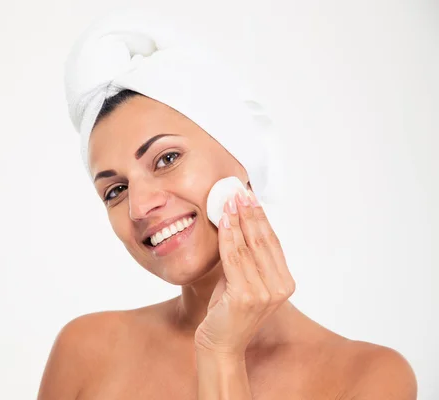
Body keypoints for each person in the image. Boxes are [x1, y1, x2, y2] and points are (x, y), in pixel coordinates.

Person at [37, 12, 417, 400]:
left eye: (167, 159)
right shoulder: (85, 351)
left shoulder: (369, 378)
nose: (139, 206)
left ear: (242, 155)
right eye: (115, 189)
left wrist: (221, 353)